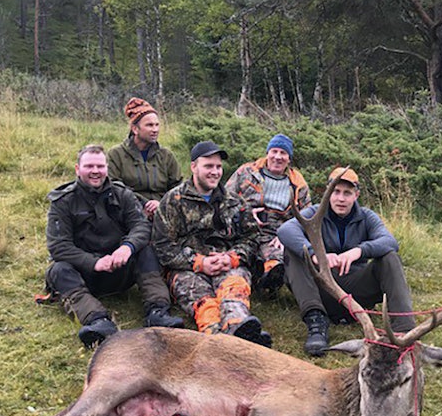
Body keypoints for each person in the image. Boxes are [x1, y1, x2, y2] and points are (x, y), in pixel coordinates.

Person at [45, 145, 185, 349]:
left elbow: (141, 225)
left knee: (146, 250)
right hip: (86, 273)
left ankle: (158, 312)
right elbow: (58, 246)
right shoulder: (63, 201)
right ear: (77, 169)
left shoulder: (122, 194)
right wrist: (94, 263)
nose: (95, 171)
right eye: (89, 166)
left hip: (120, 266)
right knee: (58, 270)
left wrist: (127, 248)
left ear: (107, 168)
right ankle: (97, 321)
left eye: (100, 166)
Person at [277, 167, 417, 356]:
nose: (340, 198)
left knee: (389, 257)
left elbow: (390, 241)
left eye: (347, 193)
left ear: (356, 195)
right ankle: (316, 321)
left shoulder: (367, 217)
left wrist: (358, 251)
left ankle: (404, 330)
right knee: (294, 251)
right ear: (327, 192)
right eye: (335, 192)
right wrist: (316, 254)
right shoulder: (313, 212)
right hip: (321, 289)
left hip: (355, 290)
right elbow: (286, 230)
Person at [152, 140, 272, 347]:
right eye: (208, 166)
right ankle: (216, 337)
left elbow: (252, 237)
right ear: (193, 167)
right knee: (203, 301)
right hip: (186, 269)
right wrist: (199, 262)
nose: (215, 172)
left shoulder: (234, 201)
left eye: (218, 167)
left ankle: (238, 326)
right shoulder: (173, 201)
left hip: (226, 263)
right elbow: (163, 246)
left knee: (234, 288)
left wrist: (232, 257)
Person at [224, 133, 312, 295]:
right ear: (268, 153)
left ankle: (269, 278)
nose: (278, 157)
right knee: (237, 255)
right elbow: (224, 199)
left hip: (274, 234)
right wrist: (244, 211)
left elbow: (307, 217)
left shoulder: (298, 183)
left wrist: (288, 234)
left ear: (289, 158)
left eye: (283, 153)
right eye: (274, 151)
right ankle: (253, 275)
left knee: (278, 258)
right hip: (243, 229)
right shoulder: (246, 171)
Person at [107, 97, 181, 220]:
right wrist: (143, 203)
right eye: (149, 125)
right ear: (135, 129)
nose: (155, 130)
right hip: (129, 213)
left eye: (157, 125)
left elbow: (178, 188)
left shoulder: (166, 156)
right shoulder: (116, 154)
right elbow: (113, 187)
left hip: (164, 213)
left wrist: (163, 205)